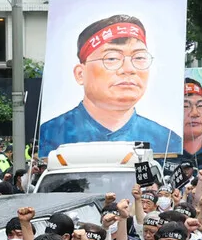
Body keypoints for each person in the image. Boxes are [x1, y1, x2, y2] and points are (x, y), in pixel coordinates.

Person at [39, 15, 178, 154]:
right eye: (112, 58)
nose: (129, 69)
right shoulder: (48, 137)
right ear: (80, 74)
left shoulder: (167, 142)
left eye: (139, 57)